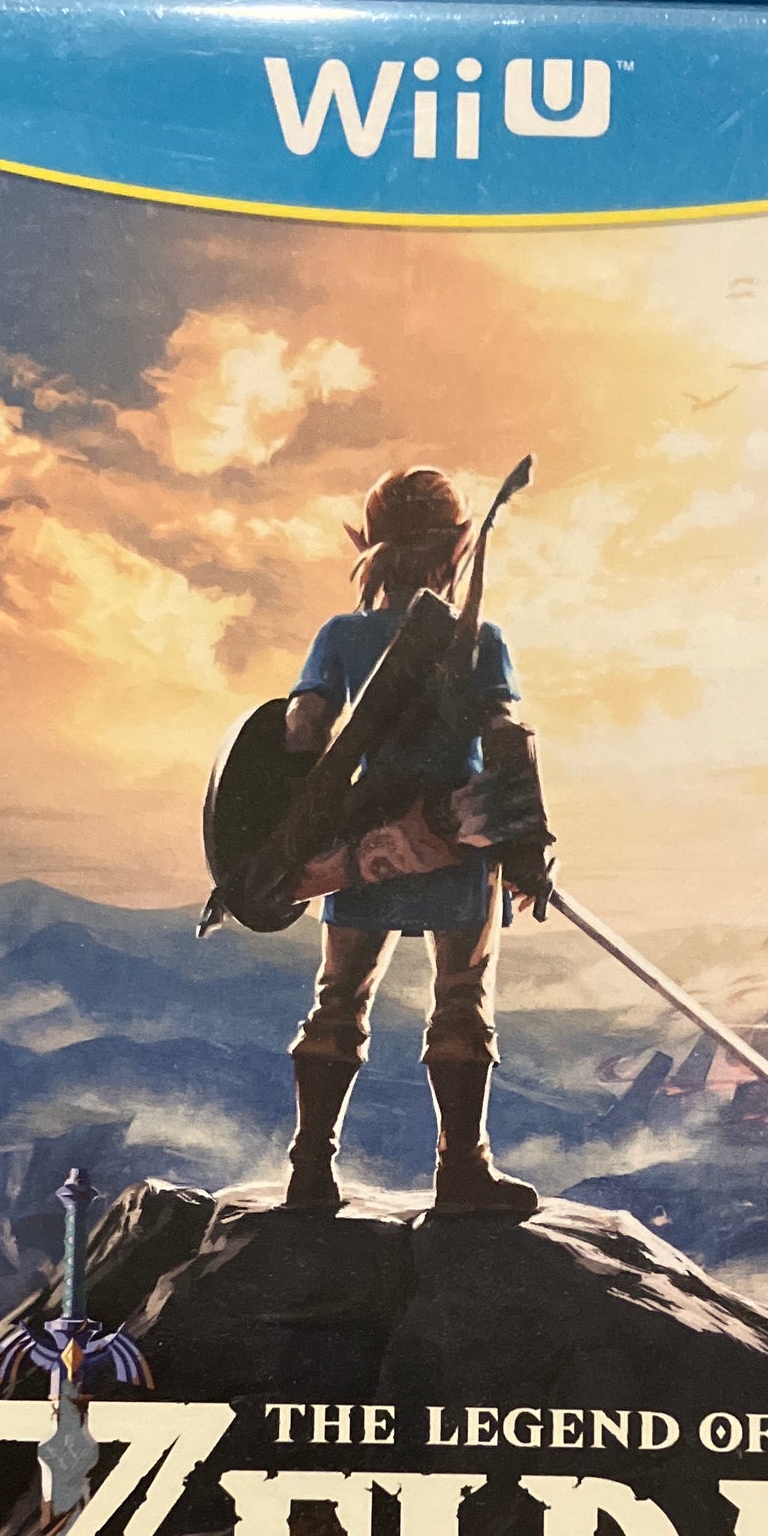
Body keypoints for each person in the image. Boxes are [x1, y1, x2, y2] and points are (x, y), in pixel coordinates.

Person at [282, 466, 552, 1216]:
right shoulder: (481, 639)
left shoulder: (342, 634)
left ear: (371, 548)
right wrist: (525, 844)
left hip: (363, 842)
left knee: (337, 1001)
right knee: (462, 1001)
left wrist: (300, 823)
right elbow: (506, 738)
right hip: (456, 841)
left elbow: (302, 728)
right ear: (455, 548)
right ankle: (462, 1172)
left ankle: (310, 1173)